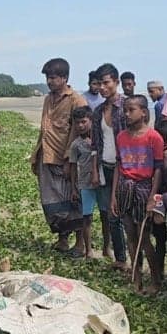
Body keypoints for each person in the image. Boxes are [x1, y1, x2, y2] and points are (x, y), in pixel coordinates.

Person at [31, 58, 88, 252]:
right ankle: (63, 239)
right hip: (46, 156)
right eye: (47, 77)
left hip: (67, 160)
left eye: (53, 77)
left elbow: (80, 132)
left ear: (64, 78)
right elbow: (44, 129)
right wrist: (35, 155)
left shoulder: (76, 100)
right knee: (53, 202)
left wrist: (69, 161)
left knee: (74, 201)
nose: (49, 81)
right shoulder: (48, 99)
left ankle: (80, 243)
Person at [111, 95, 164, 293]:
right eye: (125, 110)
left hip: (144, 188)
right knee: (130, 235)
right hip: (125, 187)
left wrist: (152, 196)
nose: (126, 114)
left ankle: (156, 279)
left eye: (131, 110)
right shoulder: (121, 137)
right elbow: (118, 165)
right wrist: (114, 195)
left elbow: (158, 169)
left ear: (143, 112)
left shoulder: (154, 137)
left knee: (144, 236)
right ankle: (136, 277)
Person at [91, 63, 128, 268]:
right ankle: (121, 259)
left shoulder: (126, 107)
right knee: (110, 214)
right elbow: (96, 144)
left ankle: (135, 259)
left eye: (106, 83)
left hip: (126, 169)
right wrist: (96, 171)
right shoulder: (98, 112)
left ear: (116, 82)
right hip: (106, 166)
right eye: (99, 84)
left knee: (128, 215)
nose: (102, 88)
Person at [68, 106, 100, 258]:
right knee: (86, 217)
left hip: (101, 182)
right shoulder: (75, 145)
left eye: (83, 122)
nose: (80, 126)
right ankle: (88, 250)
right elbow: (73, 166)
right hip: (84, 184)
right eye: (77, 123)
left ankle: (107, 248)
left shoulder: (99, 140)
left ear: (91, 121)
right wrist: (74, 188)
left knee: (106, 216)